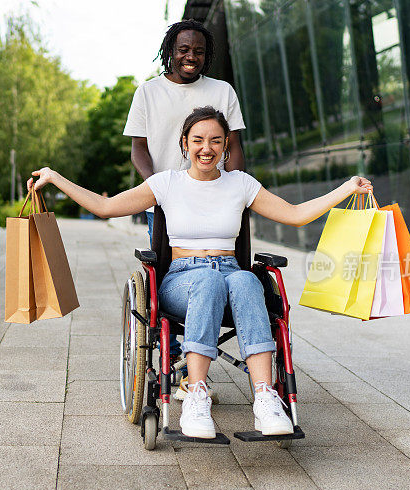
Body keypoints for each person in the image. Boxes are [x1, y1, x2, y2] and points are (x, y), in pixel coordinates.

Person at [30, 106, 372, 438]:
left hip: (230, 273)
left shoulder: (240, 184)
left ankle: (266, 398)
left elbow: (296, 214)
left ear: (225, 146)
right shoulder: (166, 184)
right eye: (198, 140)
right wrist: (55, 178)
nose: (206, 149)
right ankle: (195, 394)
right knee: (208, 279)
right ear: (185, 143)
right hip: (182, 278)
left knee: (246, 278)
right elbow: (105, 207)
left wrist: (346, 188)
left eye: (215, 141)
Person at [124, 19, 246, 400]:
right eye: (183, 50)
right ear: (169, 52)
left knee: (224, 275)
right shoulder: (148, 92)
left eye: (198, 51)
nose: (190, 57)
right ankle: (176, 364)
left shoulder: (222, 91)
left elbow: (235, 147)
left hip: (214, 195)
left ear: (206, 55)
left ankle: (195, 369)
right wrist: (157, 189)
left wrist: (233, 188)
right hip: (165, 202)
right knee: (171, 276)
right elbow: (139, 149)